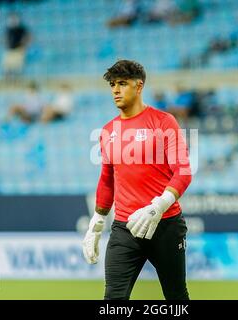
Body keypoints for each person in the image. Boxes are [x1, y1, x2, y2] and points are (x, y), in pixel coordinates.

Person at [82, 60, 192, 300]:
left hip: (165, 224)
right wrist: (97, 223)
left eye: (122, 83)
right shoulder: (108, 131)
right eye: (112, 85)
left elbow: (183, 170)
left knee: (176, 297)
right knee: (114, 299)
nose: (115, 90)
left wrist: (158, 206)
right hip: (124, 228)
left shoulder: (164, 122)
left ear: (139, 86)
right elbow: (107, 180)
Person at [2, 13, 30, 83]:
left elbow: (28, 37)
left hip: (18, 49)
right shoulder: (8, 29)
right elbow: (5, 38)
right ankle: (8, 81)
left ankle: (17, 81)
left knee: (18, 67)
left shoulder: (22, 29)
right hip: (9, 50)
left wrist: (24, 46)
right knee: (7, 67)